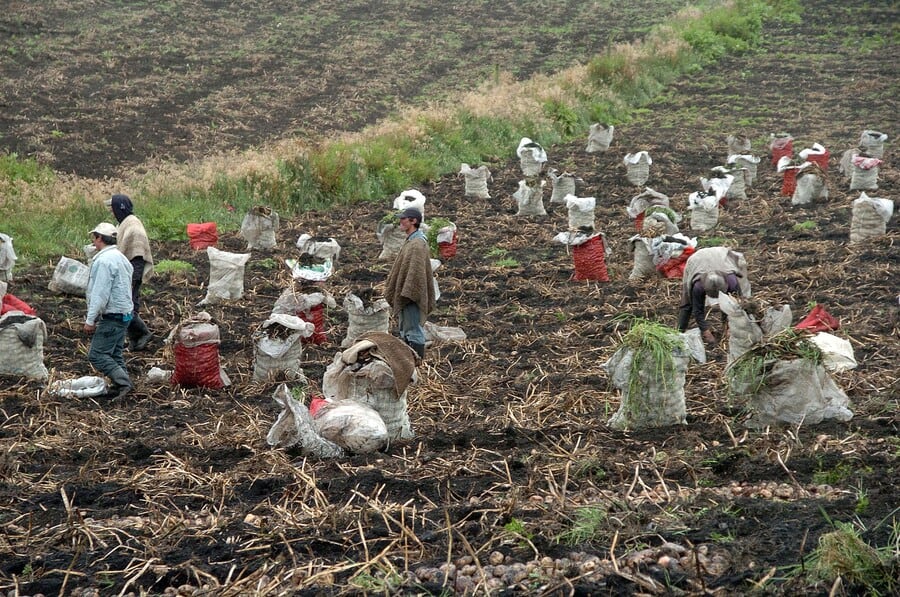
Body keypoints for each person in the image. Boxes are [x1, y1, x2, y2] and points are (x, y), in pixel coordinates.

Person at [84, 222, 135, 399]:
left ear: (100, 238)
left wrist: (90, 320)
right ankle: (121, 385)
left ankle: (124, 383)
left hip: (113, 315)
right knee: (114, 353)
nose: (93, 242)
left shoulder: (104, 261)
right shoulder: (120, 257)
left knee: (97, 355)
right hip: (125, 313)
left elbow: (100, 293)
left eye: (94, 238)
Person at [384, 207, 435, 360]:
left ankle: (416, 362)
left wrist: (409, 291)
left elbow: (416, 274)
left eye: (404, 219)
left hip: (411, 294)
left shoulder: (417, 244)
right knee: (406, 329)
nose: (400, 221)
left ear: (414, 221)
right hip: (407, 291)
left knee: (413, 330)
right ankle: (410, 361)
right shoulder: (411, 241)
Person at [107, 194, 154, 351]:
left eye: (113, 209)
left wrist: (133, 278)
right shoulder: (125, 223)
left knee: (127, 306)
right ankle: (135, 340)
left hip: (133, 271)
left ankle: (144, 333)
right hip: (129, 271)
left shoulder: (133, 227)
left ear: (119, 209)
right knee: (130, 304)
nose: (112, 212)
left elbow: (137, 254)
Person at [677, 246, 750, 345]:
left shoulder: (732, 281)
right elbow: (697, 310)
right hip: (697, 260)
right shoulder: (698, 286)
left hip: (721, 255)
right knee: (687, 303)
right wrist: (705, 331)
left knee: (737, 303)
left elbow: (737, 304)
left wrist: (730, 326)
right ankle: (678, 333)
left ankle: (728, 326)